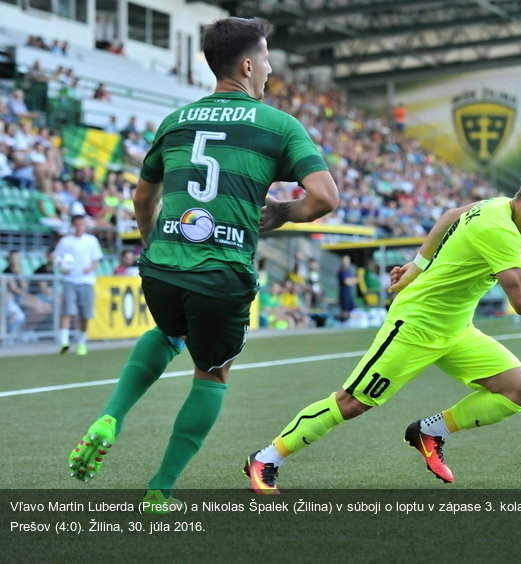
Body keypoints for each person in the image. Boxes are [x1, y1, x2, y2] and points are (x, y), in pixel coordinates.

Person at [66, 17, 339, 512]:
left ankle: (110, 416)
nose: (271, 70)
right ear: (249, 64)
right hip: (221, 274)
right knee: (212, 373)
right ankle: (160, 488)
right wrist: (281, 211)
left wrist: (153, 244)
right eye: (268, 60)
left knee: (170, 332)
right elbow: (324, 198)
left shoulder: (176, 120)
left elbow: (142, 194)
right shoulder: (279, 125)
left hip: (162, 266)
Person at [243, 165, 521, 494]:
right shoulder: (499, 229)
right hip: (415, 326)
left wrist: (415, 267)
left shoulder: (500, 207)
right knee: (352, 402)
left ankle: (429, 431)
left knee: (517, 391)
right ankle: (265, 459)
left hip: (456, 329)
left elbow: (447, 217)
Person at [55, 215, 104, 355]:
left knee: (85, 315)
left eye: (82, 224)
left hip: (86, 281)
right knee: (67, 312)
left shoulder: (91, 240)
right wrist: (62, 266)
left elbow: (97, 260)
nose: (79, 227)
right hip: (69, 280)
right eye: (77, 224)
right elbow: (57, 258)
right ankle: (64, 342)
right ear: (73, 225)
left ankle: (81, 343)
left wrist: (90, 268)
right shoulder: (65, 241)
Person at [337, 254, 356, 323]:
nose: (346, 263)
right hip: (344, 294)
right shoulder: (341, 271)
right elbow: (347, 282)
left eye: (347, 262)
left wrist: (352, 280)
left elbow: (355, 280)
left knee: (350, 310)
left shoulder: (349, 271)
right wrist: (353, 280)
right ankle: (342, 323)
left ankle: (347, 323)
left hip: (349, 294)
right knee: (345, 311)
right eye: (345, 262)